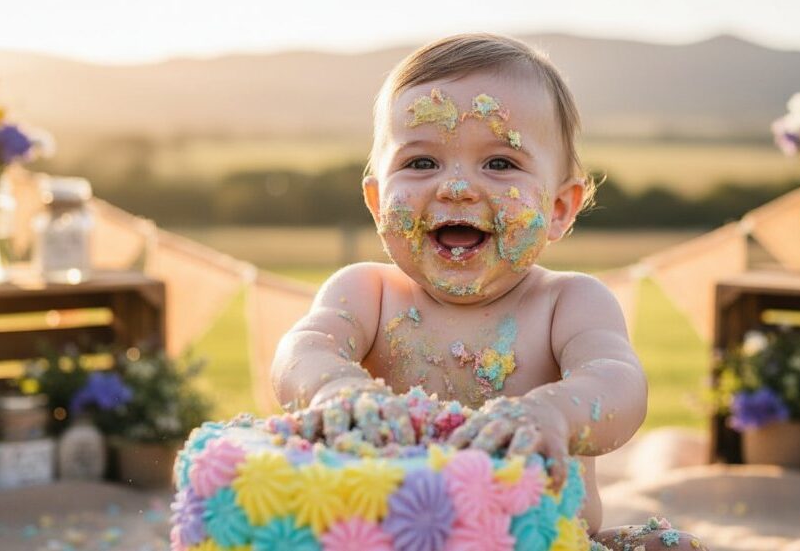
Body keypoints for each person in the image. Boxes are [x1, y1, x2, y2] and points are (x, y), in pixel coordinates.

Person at [272, 33, 707, 550]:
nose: (456, 187)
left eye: (500, 163)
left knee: (675, 546)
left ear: (559, 209)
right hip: (388, 534)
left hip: (538, 540)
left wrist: (554, 412)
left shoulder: (568, 303)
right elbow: (303, 350)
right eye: (420, 163)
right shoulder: (365, 292)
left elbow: (620, 386)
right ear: (376, 200)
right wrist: (336, 389)